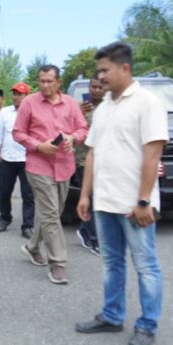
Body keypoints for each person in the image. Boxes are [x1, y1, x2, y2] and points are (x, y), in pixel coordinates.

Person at [75, 41, 168, 345]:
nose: (100, 76)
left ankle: (147, 325)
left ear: (125, 68)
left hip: (134, 205)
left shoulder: (147, 103)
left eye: (105, 70)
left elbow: (152, 155)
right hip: (105, 202)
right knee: (112, 262)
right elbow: (92, 154)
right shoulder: (104, 108)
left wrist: (144, 201)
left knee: (145, 265)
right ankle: (112, 315)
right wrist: (85, 195)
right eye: (98, 71)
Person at [12, 65, 87, 285]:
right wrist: (37, 146)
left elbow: (83, 129)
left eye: (49, 81)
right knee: (52, 215)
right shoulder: (29, 103)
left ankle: (32, 247)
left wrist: (73, 138)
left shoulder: (71, 105)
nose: (44, 85)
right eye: (41, 81)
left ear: (58, 82)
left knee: (52, 213)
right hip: (38, 166)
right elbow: (18, 132)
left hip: (64, 166)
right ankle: (58, 264)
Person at [0, 82, 35, 238]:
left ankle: (27, 225)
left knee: (28, 194)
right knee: (3, 192)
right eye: (14, 94)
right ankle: (5, 217)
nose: (16, 97)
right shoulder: (4, 112)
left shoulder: (33, 112)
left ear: (27, 96)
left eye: (20, 94)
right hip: (7, 159)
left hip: (27, 159)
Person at [74, 75, 106, 256]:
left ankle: (83, 229)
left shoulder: (111, 107)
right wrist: (78, 112)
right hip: (83, 159)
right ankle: (94, 240)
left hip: (106, 161)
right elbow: (67, 127)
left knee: (98, 199)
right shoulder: (80, 107)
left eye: (100, 87)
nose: (96, 90)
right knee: (92, 199)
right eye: (93, 87)